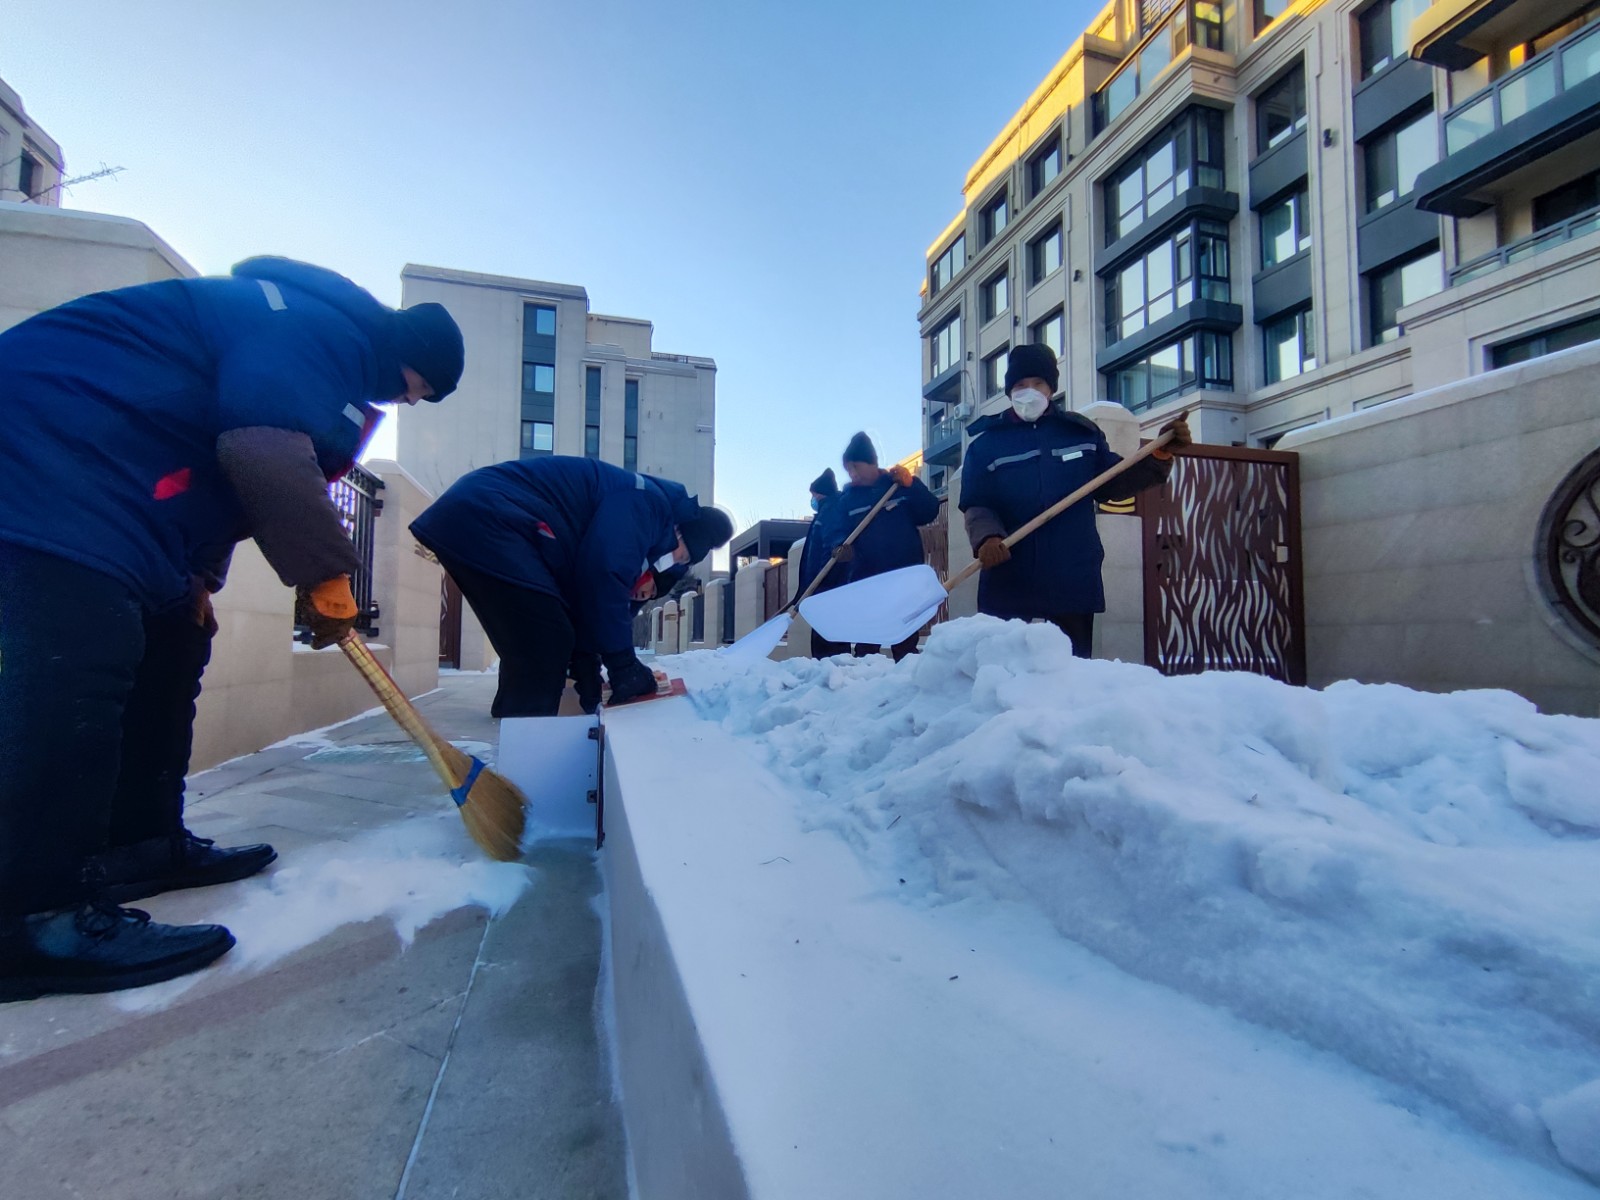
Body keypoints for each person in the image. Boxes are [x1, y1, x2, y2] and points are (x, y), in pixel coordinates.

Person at [0, 257, 464, 1001]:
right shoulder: (316, 330)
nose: (409, 402)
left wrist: (198, 578)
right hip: (49, 449)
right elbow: (262, 449)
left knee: (173, 640)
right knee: (77, 660)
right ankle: (32, 917)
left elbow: (225, 474)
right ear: (411, 364)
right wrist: (324, 572)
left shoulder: (314, 342)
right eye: (420, 391)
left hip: (115, 476)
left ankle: (142, 844)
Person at [410, 457, 732, 718]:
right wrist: (622, 664)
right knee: (546, 639)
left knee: (532, 641)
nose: (677, 561)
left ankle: (515, 732)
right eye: (685, 554)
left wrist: (586, 662)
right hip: (492, 512)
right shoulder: (649, 505)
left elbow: (586, 599)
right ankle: (529, 756)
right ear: (680, 532)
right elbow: (604, 572)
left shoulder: (646, 522)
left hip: (481, 513)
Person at [959, 343, 1190, 659]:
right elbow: (977, 502)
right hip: (1010, 573)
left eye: (1037, 383)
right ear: (1009, 390)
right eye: (1020, 385)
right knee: (1004, 669)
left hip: (1071, 572)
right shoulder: (986, 445)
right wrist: (987, 536)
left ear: (1051, 388)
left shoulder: (1080, 433)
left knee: (1071, 671)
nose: (1029, 391)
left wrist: (1159, 455)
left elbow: (1113, 480)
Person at [828, 432, 941, 661]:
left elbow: (929, 511)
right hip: (868, 580)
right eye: (848, 469)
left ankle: (908, 680)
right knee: (867, 641)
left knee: (905, 639)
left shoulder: (897, 486)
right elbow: (836, 530)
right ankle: (863, 683)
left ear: (871, 464)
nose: (852, 474)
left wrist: (912, 485)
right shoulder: (847, 500)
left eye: (855, 467)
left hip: (903, 575)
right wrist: (839, 546)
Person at [796, 468, 849, 658]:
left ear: (821, 493)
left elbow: (832, 548)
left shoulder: (831, 511)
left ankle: (831, 674)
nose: (813, 499)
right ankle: (825, 672)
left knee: (828, 638)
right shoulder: (826, 510)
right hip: (821, 586)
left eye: (813, 495)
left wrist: (821, 580)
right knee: (823, 635)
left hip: (827, 586)